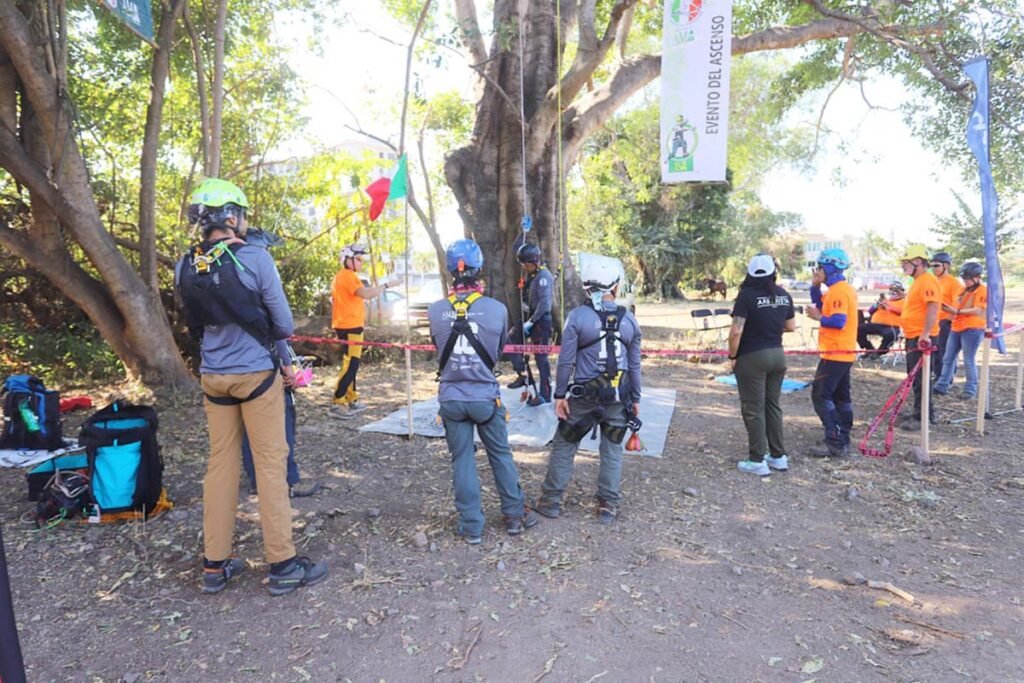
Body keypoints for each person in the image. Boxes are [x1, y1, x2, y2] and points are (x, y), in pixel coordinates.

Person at [176, 178, 327, 595]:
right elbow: (283, 324)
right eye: (240, 214)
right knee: (270, 465)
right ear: (231, 216)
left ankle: (214, 565)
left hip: (213, 377)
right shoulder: (255, 258)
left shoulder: (186, 264)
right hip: (256, 377)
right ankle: (282, 564)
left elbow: (190, 321)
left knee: (220, 466)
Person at [428, 239, 538, 544]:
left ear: (451, 271)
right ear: (479, 271)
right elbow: (500, 349)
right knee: (500, 454)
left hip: (451, 397)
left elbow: (439, 348)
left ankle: (471, 526)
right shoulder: (497, 309)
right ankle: (515, 516)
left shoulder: (435, 311)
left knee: (461, 460)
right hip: (485, 397)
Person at [534, 255, 642, 524]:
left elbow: (566, 360)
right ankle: (607, 506)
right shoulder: (630, 321)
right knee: (612, 449)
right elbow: (634, 365)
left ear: (586, 288)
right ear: (615, 287)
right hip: (619, 398)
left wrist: (559, 395)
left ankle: (551, 501)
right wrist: (636, 399)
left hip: (583, 399)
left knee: (565, 444)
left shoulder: (578, 318)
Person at [728, 254, 796, 476]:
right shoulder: (784, 296)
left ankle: (757, 459)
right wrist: (770, 326)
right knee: (772, 405)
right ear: (772, 273)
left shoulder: (746, 296)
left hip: (752, 357)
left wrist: (732, 356)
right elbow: (791, 326)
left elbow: (736, 330)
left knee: (753, 408)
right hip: (778, 356)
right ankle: (778, 456)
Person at [329, 243, 399, 419]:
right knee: (351, 364)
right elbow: (365, 294)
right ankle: (338, 401)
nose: (361, 263)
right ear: (348, 260)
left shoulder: (344, 276)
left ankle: (352, 398)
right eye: (358, 259)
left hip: (347, 324)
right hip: (349, 326)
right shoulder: (347, 275)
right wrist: (388, 285)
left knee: (352, 363)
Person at [241, 345, 319, 498]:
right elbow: (282, 329)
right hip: (267, 367)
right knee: (284, 425)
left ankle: (256, 480)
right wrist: (287, 364)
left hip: (234, 371)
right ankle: (290, 480)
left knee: (248, 425)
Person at [805, 248, 858, 458]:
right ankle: (844, 434)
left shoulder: (838, 291)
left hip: (835, 353)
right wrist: (815, 286)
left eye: (820, 267)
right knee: (841, 396)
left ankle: (834, 440)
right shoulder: (841, 289)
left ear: (829, 268)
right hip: (842, 352)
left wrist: (817, 318)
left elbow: (837, 321)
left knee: (821, 395)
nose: (817, 271)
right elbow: (821, 305)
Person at [897, 244, 941, 429]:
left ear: (918, 262)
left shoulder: (927, 281)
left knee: (921, 377)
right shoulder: (917, 281)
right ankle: (920, 412)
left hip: (921, 338)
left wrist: (925, 334)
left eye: (906, 262)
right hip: (913, 335)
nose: (903, 266)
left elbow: (933, 308)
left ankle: (923, 417)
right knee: (915, 377)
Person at [507, 243, 554, 406]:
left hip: (540, 321)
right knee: (511, 338)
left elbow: (545, 304)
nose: (524, 267)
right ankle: (522, 373)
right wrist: (523, 287)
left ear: (533, 262)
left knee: (541, 358)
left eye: (525, 264)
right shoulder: (533, 275)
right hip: (528, 317)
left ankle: (545, 394)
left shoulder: (544, 277)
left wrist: (532, 322)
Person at [934, 260, 987, 400]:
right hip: (956, 327)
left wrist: (957, 311)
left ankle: (970, 389)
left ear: (977, 277)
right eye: (964, 279)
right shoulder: (962, 290)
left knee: (968, 360)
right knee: (948, 357)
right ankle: (942, 385)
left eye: (967, 279)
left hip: (973, 328)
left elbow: (977, 310)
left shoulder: (982, 290)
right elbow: (955, 304)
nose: (965, 281)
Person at [857, 281, 905, 359]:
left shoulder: (904, 301)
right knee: (858, 329)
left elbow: (902, 312)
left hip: (892, 326)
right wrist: (876, 305)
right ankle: (869, 349)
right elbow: (870, 311)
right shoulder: (885, 300)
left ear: (901, 292)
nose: (893, 292)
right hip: (875, 324)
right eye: (892, 290)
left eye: (896, 291)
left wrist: (888, 307)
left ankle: (879, 352)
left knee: (890, 334)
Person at [931, 252, 959, 380]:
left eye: (936, 265)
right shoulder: (932, 281)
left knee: (944, 351)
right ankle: (938, 376)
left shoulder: (954, 283)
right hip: (933, 321)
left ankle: (946, 378)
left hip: (945, 322)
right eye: (931, 266)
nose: (933, 269)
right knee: (935, 351)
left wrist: (948, 320)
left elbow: (956, 304)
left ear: (946, 265)